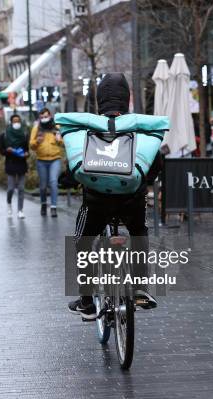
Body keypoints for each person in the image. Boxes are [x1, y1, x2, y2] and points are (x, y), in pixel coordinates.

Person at [67, 73, 161, 320]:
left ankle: (87, 300)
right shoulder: (138, 128)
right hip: (132, 199)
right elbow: (154, 163)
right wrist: (145, 182)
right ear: (127, 100)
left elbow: (74, 162)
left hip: (97, 201)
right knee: (139, 234)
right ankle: (141, 287)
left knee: (82, 241)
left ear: (100, 100)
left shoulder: (89, 128)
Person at [30, 108, 63, 217]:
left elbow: (64, 143)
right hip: (41, 160)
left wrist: (59, 140)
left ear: (50, 116)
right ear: (40, 117)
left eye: (46, 116)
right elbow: (31, 145)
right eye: (42, 117)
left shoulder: (56, 127)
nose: (44, 119)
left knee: (53, 182)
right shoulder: (37, 128)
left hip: (55, 159)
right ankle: (43, 204)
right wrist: (37, 141)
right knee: (43, 185)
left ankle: (53, 207)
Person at [0, 114, 29, 219]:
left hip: (21, 163)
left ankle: (20, 210)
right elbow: (1, 151)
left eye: (18, 121)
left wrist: (26, 154)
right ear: (11, 122)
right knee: (11, 188)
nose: (16, 123)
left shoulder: (24, 134)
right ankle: (9, 204)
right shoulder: (5, 135)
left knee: (21, 188)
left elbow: (27, 149)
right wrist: (8, 150)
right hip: (11, 163)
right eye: (14, 121)